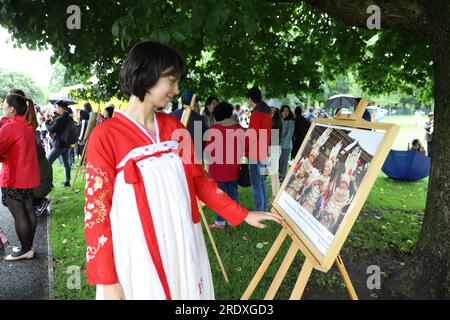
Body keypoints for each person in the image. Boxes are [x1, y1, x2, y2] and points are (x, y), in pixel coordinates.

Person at [84, 41, 282, 300]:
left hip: (183, 238)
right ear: (146, 73)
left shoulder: (174, 128)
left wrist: (242, 214)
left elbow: (199, 180)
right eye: (171, 80)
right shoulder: (105, 136)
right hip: (136, 251)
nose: (176, 90)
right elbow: (96, 212)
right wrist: (108, 280)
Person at [0, 92, 40, 260]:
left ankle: (25, 249)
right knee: (28, 210)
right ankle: (28, 246)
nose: (2, 108)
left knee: (19, 214)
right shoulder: (27, 124)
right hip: (27, 176)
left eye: (3, 106)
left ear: (12, 109)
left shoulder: (12, 127)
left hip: (15, 176)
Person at [205, 102, 245, 230]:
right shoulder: (238, 128)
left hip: (217, 169)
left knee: (220, 196)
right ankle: (235, 220)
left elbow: (208, 152)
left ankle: (220, 222)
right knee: (233, 193)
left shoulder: (212, 129)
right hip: (233, 168)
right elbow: (242, 149)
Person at [245, 87, 272, 212]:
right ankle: (263, 208)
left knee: (256, 183)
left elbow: (251, 134)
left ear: (250, 99)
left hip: (255, 153)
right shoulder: (267, 112)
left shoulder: (256, 113)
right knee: (261, 181)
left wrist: (244, 149)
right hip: (264, 151)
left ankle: (259, 210)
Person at [170, 90, 208, 160]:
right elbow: (202, 144)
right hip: (192, 160)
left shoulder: (170, 116)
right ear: (194, 103)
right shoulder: (198, 119)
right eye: (197, 102)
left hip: (173, 159)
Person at [45, 100, 72, 187]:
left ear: (60, 107)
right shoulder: (69, 117)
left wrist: (46, 123)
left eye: (56, 107)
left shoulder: (61, 119)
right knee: (66, 164)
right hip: (66, 143)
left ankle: (49, 184)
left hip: (59, 144)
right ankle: (67, 182)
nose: (56, 109)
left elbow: (52, 129)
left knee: (48, 162)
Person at [32, 142, 53, 216]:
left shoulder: (34, 161)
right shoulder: (42, 158)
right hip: (45, 187)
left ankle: (38, 203)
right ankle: (38, 202)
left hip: (39, 189)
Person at [279, 105, 295, 182]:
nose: (285, 112)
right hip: (278, 144)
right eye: (284, 110)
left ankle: (283, 175)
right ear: (281, 112)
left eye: (287, 111)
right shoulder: (278, 120)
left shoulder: (290, 122)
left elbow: (289, 135)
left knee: (284, 161)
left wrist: (284, 146)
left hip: (286, 145)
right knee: (279, 161)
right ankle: (279, 174)